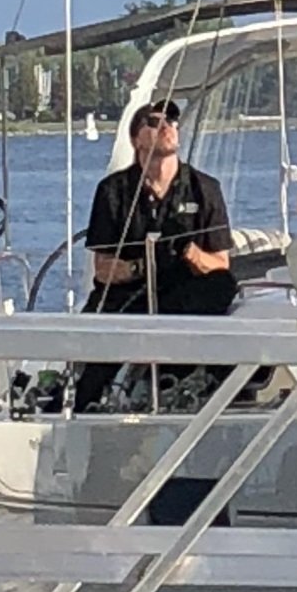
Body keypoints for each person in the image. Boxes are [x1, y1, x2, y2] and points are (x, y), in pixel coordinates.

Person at [74, 99, 236, 411]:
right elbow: (103, 269)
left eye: (172, 121)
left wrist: (188, 253)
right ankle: (83, 410)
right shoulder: (114, 191)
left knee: (222, 285)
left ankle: (178, 386)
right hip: (128, 294)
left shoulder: (204, 188)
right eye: (153, 121)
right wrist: (144, 266)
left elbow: (220, 262)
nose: (166, 127)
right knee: (101, 342)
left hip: (184, 293)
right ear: (136, 139)